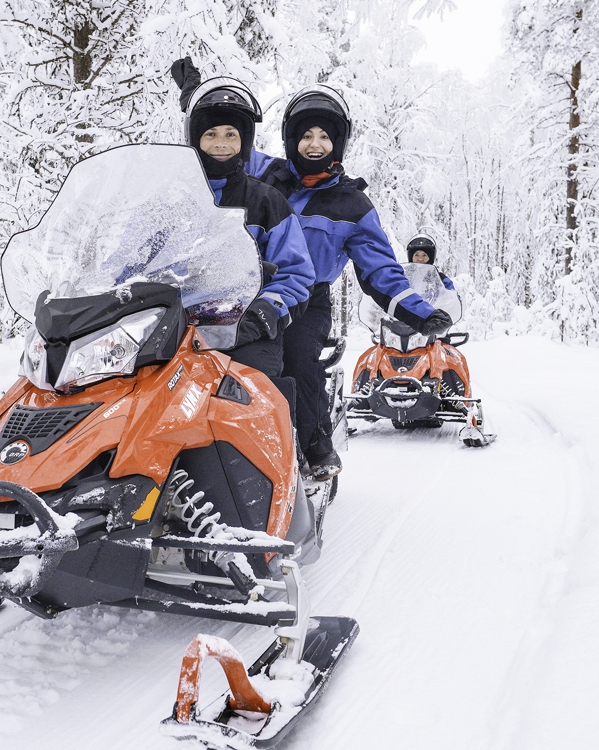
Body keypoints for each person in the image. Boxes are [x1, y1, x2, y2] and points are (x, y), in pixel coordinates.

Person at [174, 62, 449, 480]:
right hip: (240, 292)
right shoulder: (267, 174)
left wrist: (418, 311)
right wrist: (195, 99)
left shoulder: (350, 204)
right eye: (305, 135)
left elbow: (380, 269)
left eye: (324, 136)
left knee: (297, 358)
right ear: (291, 140)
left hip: (307, 297)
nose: (314, 144)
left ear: (337, 143)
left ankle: (314, 443)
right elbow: (224, 145)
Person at [182, 77, 314, 380]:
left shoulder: (266, 201)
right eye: (211, 134)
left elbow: (296, 274)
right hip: (175, 325)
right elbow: (138, 258)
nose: (220, 143)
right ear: (195, 140)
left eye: (231, 134)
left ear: (244, 141)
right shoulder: (174, 199)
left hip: (243, 327)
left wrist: (265, 312)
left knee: (253, 388)